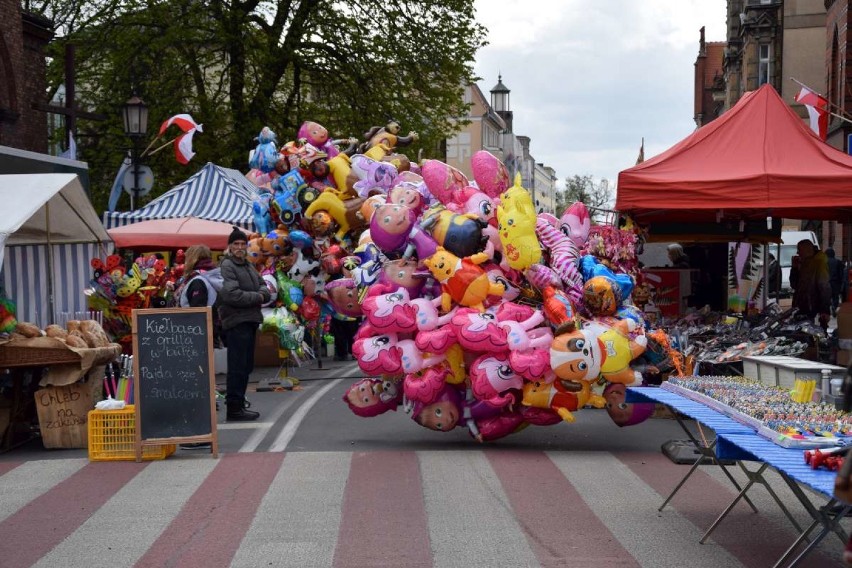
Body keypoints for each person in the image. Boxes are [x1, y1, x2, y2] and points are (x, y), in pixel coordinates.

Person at [218, 227, 271, 421]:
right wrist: (257, 296)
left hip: (250, 319)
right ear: (230, 247)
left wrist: (260, 294)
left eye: (242, 244)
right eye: (236, 244)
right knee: (238, 366)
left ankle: (239, 403)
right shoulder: (227, 266)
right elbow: (232, 294)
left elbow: (264, 285)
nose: (240, 247)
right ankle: (234, 407)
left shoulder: (248, 265)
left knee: (246, 366)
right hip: (236, 320)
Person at [178, 245, 225, 448]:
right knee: (202, 384)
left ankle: (200, 434)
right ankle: (202, 432)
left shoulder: (198, 281)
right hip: (205, 337)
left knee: (197, 385)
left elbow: (198, 312)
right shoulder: (209, 277)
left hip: (195, 339)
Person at [789, 239, 831, 328]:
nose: (797, 252)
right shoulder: (804, 263)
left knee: (807, 330)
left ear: (807, 250)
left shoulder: (819, 262)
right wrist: (794, 269)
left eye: (799, 249)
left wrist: (825, 310)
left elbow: (824, 287)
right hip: (802, 306)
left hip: (810, 306)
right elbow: (794, 284)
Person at [826, 248, 845, 316]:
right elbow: (841, 274)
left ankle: (827, 310)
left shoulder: (823, 262)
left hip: (826, 283)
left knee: (826, 298)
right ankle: (835, 307)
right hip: (835, 283)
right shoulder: (838, 262)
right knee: (835, 297)